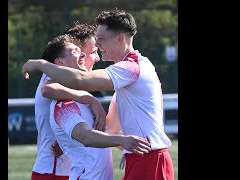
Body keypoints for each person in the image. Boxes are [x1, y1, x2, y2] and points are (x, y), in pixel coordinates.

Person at [22, 9, 174, 180]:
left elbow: (80, 79)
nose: (98, 47)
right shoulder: (130, 73)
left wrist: (39, 64)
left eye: (101, 40)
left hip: (149, 158)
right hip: (140, 158)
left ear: (120, 39)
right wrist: (71, 136)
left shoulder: (131, 68)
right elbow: (109, 129)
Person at [35, 34, 151, 180]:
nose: (86, 55)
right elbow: (86, 136)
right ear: (60, 64)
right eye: (76, 51)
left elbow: (101, 135)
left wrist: (130, 147)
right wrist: (121, 140)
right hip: (54, 173)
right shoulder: (64, 103)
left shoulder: (81, 97)